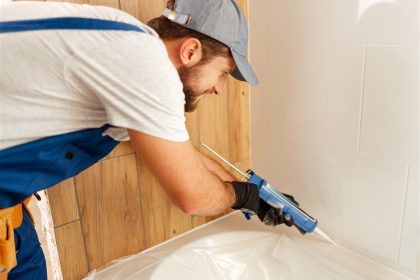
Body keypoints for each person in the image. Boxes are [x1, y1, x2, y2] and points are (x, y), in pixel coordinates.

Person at [0, 0, 295, 279]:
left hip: (7, 202)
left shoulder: (129, 50)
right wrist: (241, 196)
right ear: (190, 51)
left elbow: (183, 156)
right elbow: (193, 197)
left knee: (29, 263)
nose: (219, 88)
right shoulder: (147, 65)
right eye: (223, 73)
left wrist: (254, 196)